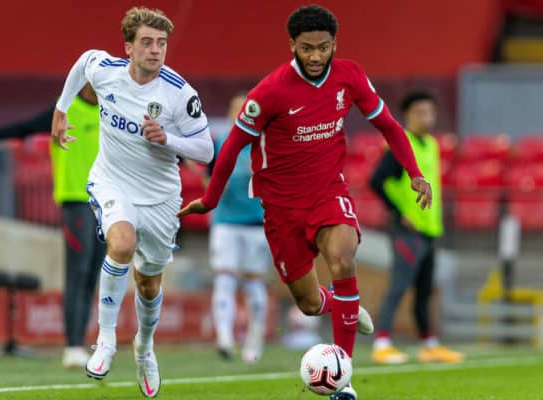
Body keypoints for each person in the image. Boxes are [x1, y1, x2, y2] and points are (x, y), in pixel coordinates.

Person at [178, 5, 432, 400]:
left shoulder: (350, 76)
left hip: (329, 192)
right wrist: (210, 199)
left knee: (343, 259)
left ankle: (342, 382)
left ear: (335, 44)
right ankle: (343, 305)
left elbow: (388, 125)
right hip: (281, 207)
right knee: (310, 303)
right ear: (292, 45)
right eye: (307, 48)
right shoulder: (270, 91)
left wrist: (415, 172)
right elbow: (231, 147)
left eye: (324, 47)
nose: (316, 56)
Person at [52, 6, 213, 397]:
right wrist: (60, 109)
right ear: (129, 47)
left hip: (159, 196)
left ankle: (144, 347)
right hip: (112, 181)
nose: (156, 50)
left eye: (161, 43)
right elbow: (82, 63)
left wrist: (169, 140)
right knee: (120, 244)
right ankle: (105, 340)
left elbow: (206, 150)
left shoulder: (179, 93)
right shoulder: (106, 71)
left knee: (148, 283)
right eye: (147, 42)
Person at [0, 84, 102, 369]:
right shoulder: (63, 110)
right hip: (76, 200)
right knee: (77, 273)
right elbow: (23, 128)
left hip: (106, 203)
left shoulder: (111, 110)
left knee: (93, 274)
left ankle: (89, 342)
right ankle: (73, 347)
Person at [369, 92, 464, 364]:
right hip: (407, 232)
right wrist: (399, 213)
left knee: (424, 290)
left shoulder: (431, 145)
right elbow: (376, 180)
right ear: (408, 115)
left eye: (430, 112)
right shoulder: (400, 144)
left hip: (430, 230)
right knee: (399, 286)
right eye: (420, 112)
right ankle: (382, 343)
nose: (427, 118)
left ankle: (429, 344)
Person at [208, 93, 272, 363]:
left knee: (253, 282)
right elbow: (209, 177)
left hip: (257, 224)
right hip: (226, 223)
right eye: (236, 110)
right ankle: (224, 337)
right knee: (224, 277)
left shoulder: (267, 145)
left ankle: (254, 341)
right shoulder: (222, 143)